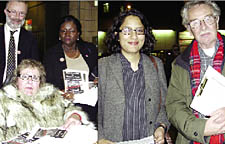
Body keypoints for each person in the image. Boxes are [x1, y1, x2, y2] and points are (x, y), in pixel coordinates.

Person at [98, 9, 170, 144]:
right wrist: (100, 138)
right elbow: (96, 108)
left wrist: (161, 126)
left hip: (148, 139)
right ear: (116, 34)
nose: (134, 36)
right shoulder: (103, 66)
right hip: (113, 141)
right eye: (126, 31)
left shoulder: (156, 64)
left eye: (139, 30)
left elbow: (164, 104)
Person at [166, 1, 225, 143]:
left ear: (217, 20)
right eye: (195, 23)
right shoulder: (179, 64)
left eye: (208, 19)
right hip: (191, 138)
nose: (203, 27)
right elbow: (174, 105)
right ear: (189, 28)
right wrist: (201, 128)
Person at [0, 59, 95, 142]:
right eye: (24, 77)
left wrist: (75, 115)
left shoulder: (52, 96)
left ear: (40, 82)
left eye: (35, 78)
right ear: (16, 80)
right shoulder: (4, 100)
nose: (29, 81)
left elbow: (70, 108)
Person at [43, 15, 98, 125]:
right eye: (63, 31)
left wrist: (96, 79)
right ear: (59, 34)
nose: (67, 34)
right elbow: (47, 84)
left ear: (78, 34)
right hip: (65, 106)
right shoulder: (50, 54)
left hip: (89, 104)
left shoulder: (90, 50)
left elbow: (97, 71)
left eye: (72, 31)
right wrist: (59, 92)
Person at [0, 0, 40, 88]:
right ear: (6, 12)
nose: (17, 17)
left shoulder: (31, 39)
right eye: (13, 12)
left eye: (22, 13)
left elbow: (34, 68)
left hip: (20, 91)